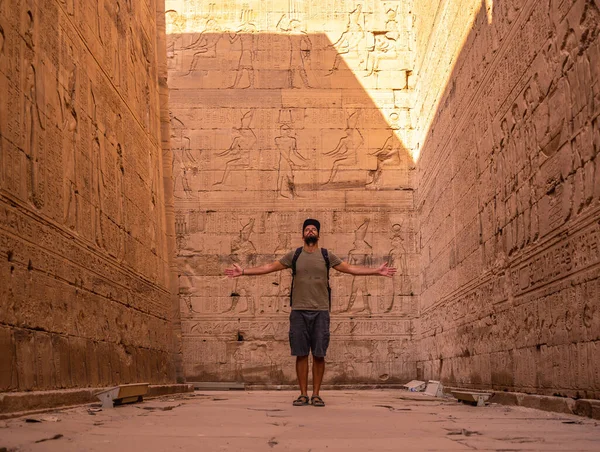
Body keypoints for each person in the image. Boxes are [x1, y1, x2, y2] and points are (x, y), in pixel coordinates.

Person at [224, 218, 396, 407]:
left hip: (321, 311)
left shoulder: (326, 255)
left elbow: (351, 269)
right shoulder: (294, 255)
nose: (310, 232)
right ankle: (303, 394)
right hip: (298, 311)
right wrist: (244, 272)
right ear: (303, 234)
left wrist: (376, 271)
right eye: (307, 229)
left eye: (314, 229)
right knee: (301, 354)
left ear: (318, 234)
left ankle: (316, 394)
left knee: (319, 354)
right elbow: (269, 267)